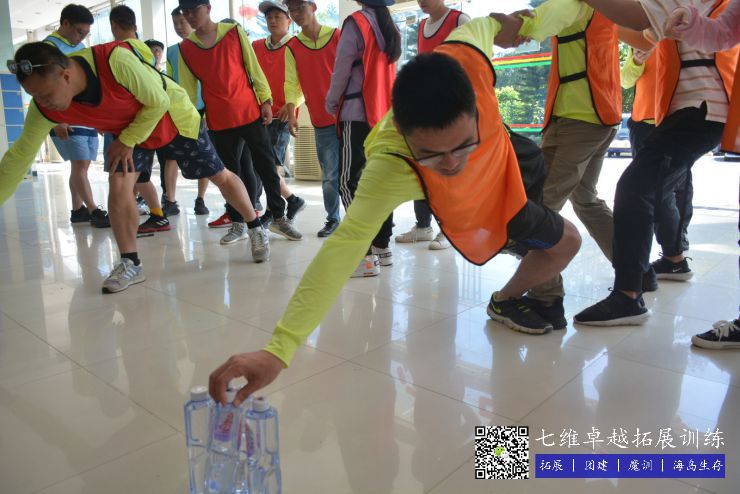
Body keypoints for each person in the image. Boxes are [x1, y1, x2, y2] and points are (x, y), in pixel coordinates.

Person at [208, 3, 592, 405]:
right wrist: (279, 348)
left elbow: (503, 23)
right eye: (432, 155)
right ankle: (506, 295)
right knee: (565, 241)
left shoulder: (468, 53)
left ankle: (507, 296)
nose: (452, 163)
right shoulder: (390, 164)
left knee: (564, 237)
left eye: (462, 145)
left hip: (508, 163)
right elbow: (342, 250)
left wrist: (534, 22)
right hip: (473, 208)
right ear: (405, 135)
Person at [1, 41, 271, 293]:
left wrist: (128, 140)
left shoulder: (114, 61)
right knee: (119, 184)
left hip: (172, 117)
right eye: (34, 95)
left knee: (219, 175)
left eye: (45, 94)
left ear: (66, 76)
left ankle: (255, 227)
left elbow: (159, 101)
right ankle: (131, 262)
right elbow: (19, 156)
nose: (41, 102)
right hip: (129, 131)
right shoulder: (44, 108)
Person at [573, 0, 738, 326]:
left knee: (635, 188)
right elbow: (643, 32)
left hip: (704, 110)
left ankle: (629, 295)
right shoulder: (681, 5)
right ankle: (665, 266)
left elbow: (640, 19)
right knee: (653, 191)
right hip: (684, 113)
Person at [177, 0, 302, 244]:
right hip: (219, 120)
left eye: (194, 10)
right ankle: (238, 222)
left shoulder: (233, 32)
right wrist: (193, 124)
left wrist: (265, 100)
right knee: (230, 175)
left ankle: (278, 217)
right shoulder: (186, 48)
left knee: (266, 167)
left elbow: (252, 67)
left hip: (249, 112)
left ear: (208, 8)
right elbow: (188, 92)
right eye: (186, 12)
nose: (190, 16)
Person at [325, 0, 400, 277]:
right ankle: (382, 246)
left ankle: (364, 255)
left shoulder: (357, 23)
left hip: (357, 114)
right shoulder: (390, 25)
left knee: (347, 182)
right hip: (384, 115)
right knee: (380, 182)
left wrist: (331, 102)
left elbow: (341, 69)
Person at [394, 0, 470, 250]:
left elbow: (473, 64)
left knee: (449, 173)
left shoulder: (459, 20)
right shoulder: (422, 26)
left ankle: (450, 230)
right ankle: (423, 226)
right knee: (422, 170)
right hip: (425, 110)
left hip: (452, 111)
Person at [621, 46, 694, 288]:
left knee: (662, 191)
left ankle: (675, 256)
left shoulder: (683, 35)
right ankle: (673, 255)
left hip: (674, 120)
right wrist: (636, 60)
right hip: (644, 121)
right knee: (656, 191)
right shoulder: (641, 38)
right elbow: (625, 80)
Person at [43, 4, 109, 228]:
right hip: (65, 117)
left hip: (85, 117)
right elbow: (42, 89)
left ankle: (77, 210)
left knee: (81, 167)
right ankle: (93, 210)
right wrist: (56, 120)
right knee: (80, 165)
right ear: (65, 23)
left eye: (86, 33)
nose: (82, 36)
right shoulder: (48, 49)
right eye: (79, 31)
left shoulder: (80, 48)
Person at [281, 0, 342, 237]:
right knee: (330, 175)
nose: (296, 13)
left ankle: (361, 220)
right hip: (321, 120)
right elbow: (291, 84)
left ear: (313, 7)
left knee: (356, 172)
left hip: (348, 117)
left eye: (300, 7)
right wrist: (292, 114)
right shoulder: (293, 47)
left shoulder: (337, 36)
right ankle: (333, 219)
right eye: (292, 9)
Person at [252, 1, 307, 226]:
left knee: (271, 167)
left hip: (283, 116)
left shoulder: (298, 45)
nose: (272, 20)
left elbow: (306, 82)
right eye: (269, 17)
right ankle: (291, 201)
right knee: (265, 166)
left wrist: (292, 105)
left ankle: (274, 210)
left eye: (278, 16)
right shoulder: (256, 46)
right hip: (260, 115)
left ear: (289, 20)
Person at [165, 6, 210, 218]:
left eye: (182, 22)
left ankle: (201, 198)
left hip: (202, 109)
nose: (179, 27)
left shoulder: (203, 46)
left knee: (205, 154)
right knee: (171, 156)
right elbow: (169, 81)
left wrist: (208, 112)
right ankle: (170, 200)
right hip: (178, 111)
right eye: (175, 23)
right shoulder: (172, 51)